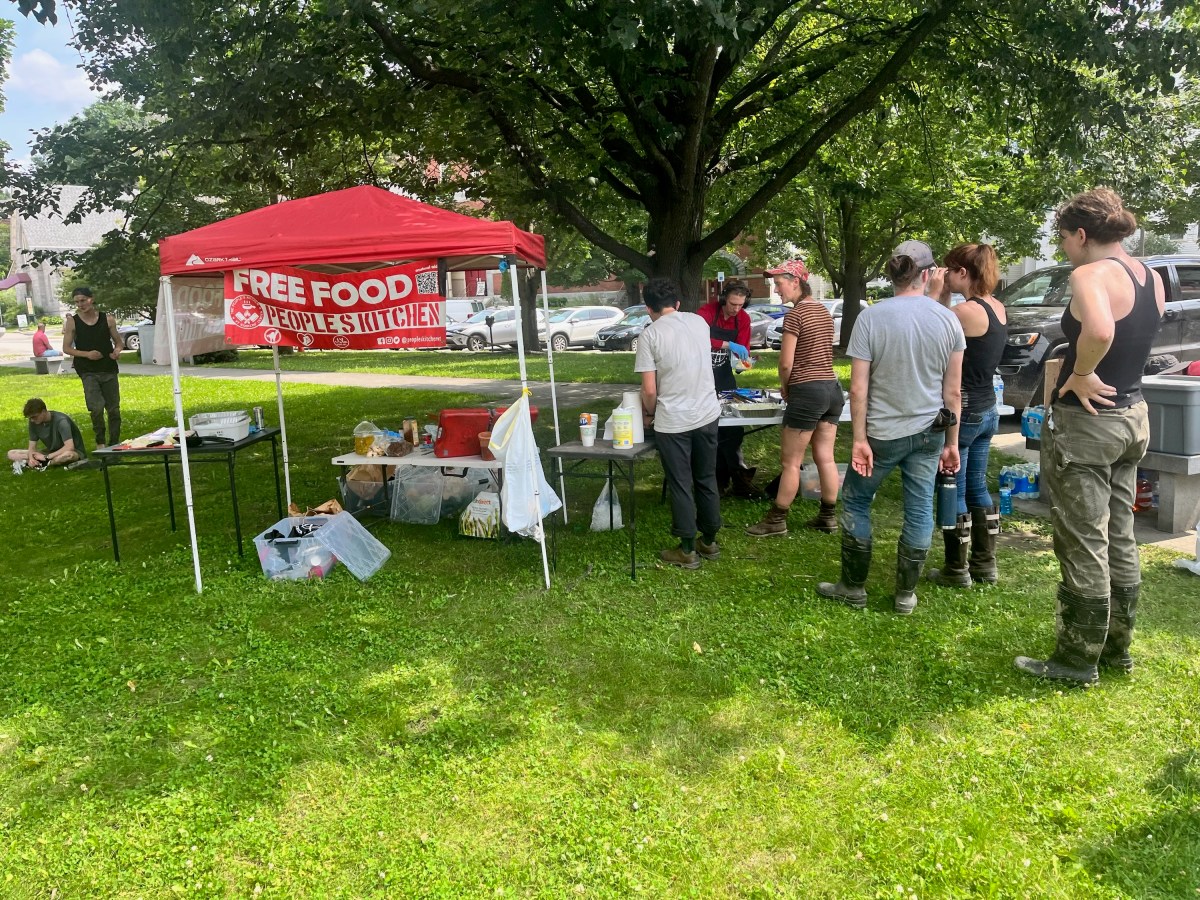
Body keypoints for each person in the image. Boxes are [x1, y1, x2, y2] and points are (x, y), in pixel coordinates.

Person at [1015, 189, 1164, 685]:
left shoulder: (1088, 274)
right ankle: (1117, 650)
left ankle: (1077, 659)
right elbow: (1137, 333)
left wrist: (1079, 374)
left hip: (1090, 423)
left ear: (1081, 235)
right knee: (1120, 535)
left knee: (1083, 539)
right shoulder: (1148, 275)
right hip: (1133, 415)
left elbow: (1100, 331)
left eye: (1062, 239)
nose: (1063, 249)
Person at [817, 240, 965, 614]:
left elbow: (859, 387)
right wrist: (952, 442)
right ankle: (904, 595)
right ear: (928, 273)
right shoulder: (948, 318)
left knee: (855, 500)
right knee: (919, 510)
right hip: (930, 432)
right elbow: (953, 392)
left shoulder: (871, 317)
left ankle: (853, 587)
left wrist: (859, 439)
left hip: (882, 434)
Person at [926, 244, 1007, 587]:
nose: (944, 275)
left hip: (965, 411)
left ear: (962, 272)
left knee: (954, 487)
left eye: (949, 270)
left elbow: (926, 329)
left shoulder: (966, 312)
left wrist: (933, 293)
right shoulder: (995, 307)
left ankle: (956, 570)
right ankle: (985, 565)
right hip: (988, 407)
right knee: (976, 486)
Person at [746, 260, 843, 536]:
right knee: (825, 457)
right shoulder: (823, 312)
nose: (776, 290)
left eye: (779, 283)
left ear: (796, 281)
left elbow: (785, 364)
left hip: (808, 390)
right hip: (832, 390)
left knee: (790, 462)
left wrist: (786, 387)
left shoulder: (796, 315)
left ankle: (776, 520)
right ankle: (828, 516)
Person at [635, 278, 723, 568]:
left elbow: (649, 390)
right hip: (707, 413)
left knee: (681, 483)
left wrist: (648, 413)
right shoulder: (699, 322)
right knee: (706, 478)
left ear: (649, 308)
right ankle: (708, 542)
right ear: (678, 303)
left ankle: (686, 549)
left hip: (673, 421)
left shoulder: (650, 335)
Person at [696, 279, 761, 498]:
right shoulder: (706, 312)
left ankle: (736, 472)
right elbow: (698, 339)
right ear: (724, 299)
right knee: (709, 426)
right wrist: (727, 344)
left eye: (740, 305)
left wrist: (743, 363)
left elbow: (742, 349)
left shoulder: (743, 319)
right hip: (700, 376)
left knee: (733, 428)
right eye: (732, 304)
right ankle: (716, 476)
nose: (736, 309)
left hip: (724, 376)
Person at [62, 286, 123, 449]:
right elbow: (66, 348)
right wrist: (87, 354)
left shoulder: (107, 319)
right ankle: (100, 442)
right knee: (96, 408)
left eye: (83, 300)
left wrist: (117, 351)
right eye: (77, 302)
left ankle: (115, 442)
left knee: (114, 409)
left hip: (108, 368)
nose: (81, 304)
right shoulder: (72, 321)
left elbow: (118, 342)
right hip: (88, 370)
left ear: (91, 299)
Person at [8, 398, 86, 471]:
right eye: (30, 418)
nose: (32, 420)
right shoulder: (33, 422)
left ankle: (46, 464)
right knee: (11, 454)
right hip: (51, 452)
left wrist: (46, 457)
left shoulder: (61, 421)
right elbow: (32, 446)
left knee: (68, 455)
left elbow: (69, 447)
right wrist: (31, 458)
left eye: (34, 417)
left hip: (72, 451)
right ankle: (39, 462)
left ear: (44, 411)